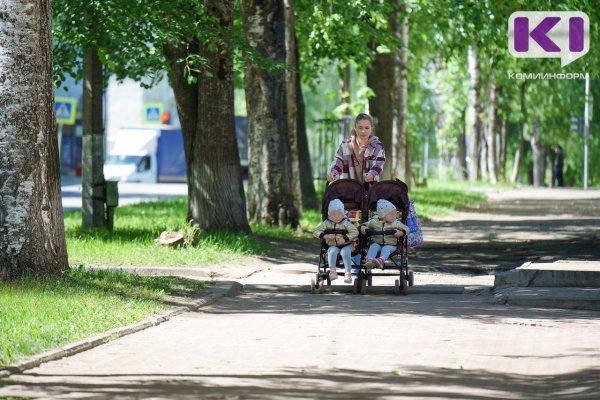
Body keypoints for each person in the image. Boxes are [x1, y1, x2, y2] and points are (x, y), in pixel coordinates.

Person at [327, 113, 386, 186]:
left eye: (367, 128)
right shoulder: (345, 145)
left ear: (372, 128)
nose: (363, 131)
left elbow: (378, 165)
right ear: (355, 128)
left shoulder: (378, 146)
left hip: (370, 189)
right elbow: (338, 163)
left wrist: (371, 174)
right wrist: (333, 174)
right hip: (348, 189)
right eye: (360, 128)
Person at [313, 199, 359, 283]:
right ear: (329, 215)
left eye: (339, 214)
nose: (336, 216)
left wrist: (345, 238)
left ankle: (348, 273)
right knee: (332, 251)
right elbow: (315, 231)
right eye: (333, 214)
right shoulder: (327, 223)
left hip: (347, 244)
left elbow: (355, 232)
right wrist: (325, 235)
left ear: (343, 214)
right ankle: (332, 271)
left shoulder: (346, 223)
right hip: (333, 245)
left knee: (345, 252)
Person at [361, 199, 408, 269]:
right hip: (377, 243)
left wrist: (401, 232)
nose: (394, 216)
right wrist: (363, 228)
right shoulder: (374, 221)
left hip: (391, 245)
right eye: (392, 214)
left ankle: (380, 261)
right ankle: (369, 261)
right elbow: (365, 224)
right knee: (373, 246)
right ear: (383, 215)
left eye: (395, 214)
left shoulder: (396, 223)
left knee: (386, 248)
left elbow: (406, 228)